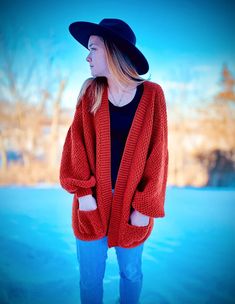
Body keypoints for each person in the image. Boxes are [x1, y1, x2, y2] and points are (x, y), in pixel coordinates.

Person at [59, 18, 168, 304]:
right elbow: (75, 144)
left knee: (131, 274)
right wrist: (84, 195)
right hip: (91, 204)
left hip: (132, 208)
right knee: (90, 279)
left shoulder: (153, 95)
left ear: (112, 50)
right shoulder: (90, 93)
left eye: (93, 48)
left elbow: (158, 152)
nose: (87, 55)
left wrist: (145, 205)